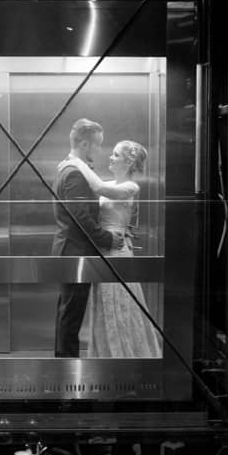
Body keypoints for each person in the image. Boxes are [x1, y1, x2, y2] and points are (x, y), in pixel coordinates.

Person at [65, 141, 161, 358]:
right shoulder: (111, 184)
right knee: (105, 305)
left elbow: (98, 188)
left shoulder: (130, 187)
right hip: (104, 248)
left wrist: (76, 161)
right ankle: (107, 357)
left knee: (121, 303)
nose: (110, 157)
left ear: (128, 162)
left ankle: (125, 358)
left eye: (116, 155)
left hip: (117, 252)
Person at [51, 119, 122, 357]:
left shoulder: (71, 169)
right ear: (83, 143)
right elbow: (80, 216)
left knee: (68, 312)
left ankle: (63, 365)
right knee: (71, 316)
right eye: (97, 145)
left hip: (72, 250)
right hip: (75, 252)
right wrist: (107, 238)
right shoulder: (74, 174)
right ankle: (66, 372)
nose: (99, 151)